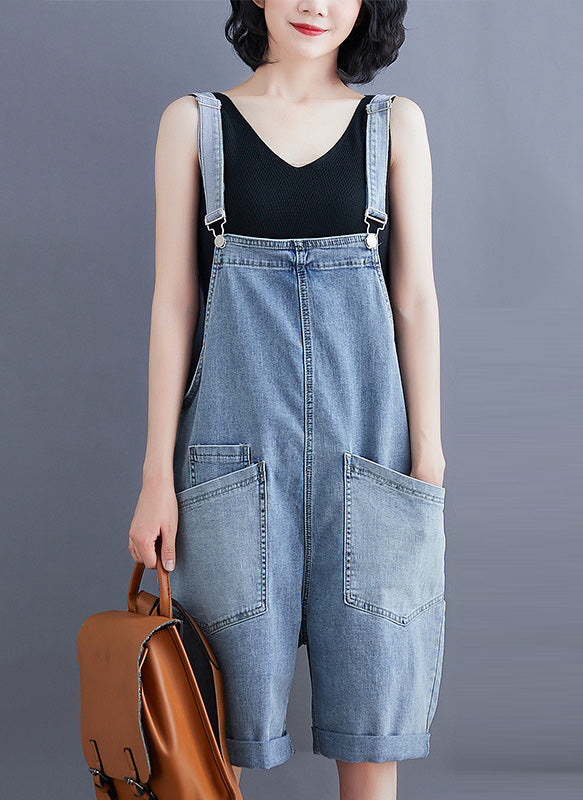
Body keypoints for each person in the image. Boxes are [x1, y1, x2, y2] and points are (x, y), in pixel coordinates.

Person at [128, 2, 447, 798]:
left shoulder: (394, 127)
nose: (315, 5)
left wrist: (429, 456)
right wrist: (156, 476)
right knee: (215, 746)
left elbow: (414, 299)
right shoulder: (194, 125)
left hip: (371, 461)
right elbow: (174, 302)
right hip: (230, 469)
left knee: (373, 730)